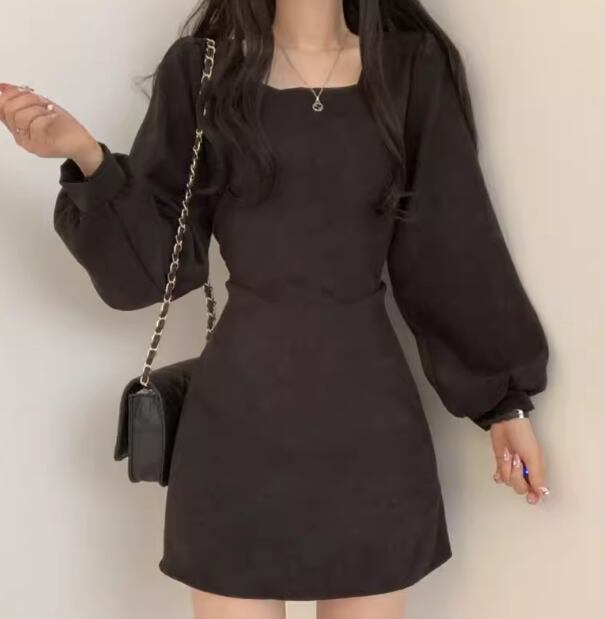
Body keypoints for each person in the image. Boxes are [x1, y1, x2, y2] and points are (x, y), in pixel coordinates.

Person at [0, 0, 551, 617]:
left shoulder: (410, 70)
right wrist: (88, 158)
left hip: (371, 430)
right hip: (235, 429)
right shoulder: (202, 71)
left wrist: (504, 404)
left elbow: (452, 246)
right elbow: (155, 267)